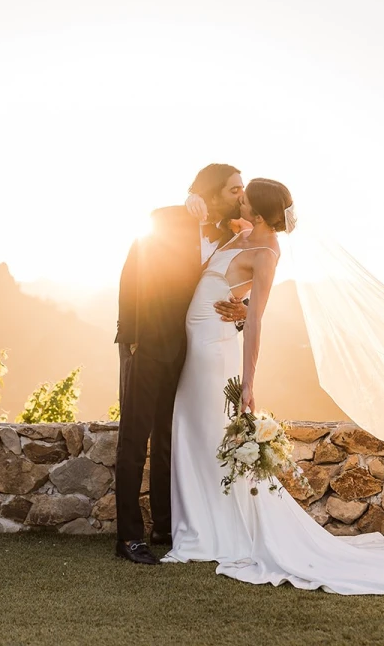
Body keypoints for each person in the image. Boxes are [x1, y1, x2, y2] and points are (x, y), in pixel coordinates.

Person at [161, 177, 384, 594]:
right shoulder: (241, 232)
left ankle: (211, 533)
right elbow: (232, 288)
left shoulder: (266, 251)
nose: (237, 199)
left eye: (244, 197)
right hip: (200, 339)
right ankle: (205, 524)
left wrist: (249, 381)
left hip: (213, 351)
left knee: (204, 431)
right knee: (196, 430)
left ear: (258, 214)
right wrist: (236, 301)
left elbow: (258, 316)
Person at [112, 163, 248, 565]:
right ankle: (128, 538)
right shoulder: (167, 219)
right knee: (135, 438)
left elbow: (242, 286)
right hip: (147, 343)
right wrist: (133, 337)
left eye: (242, 189)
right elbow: (131, 274)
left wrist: (242, 310)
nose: (241, 195)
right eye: (233, 189)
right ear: (209, 192)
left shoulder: (232, 236)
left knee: (169, 440)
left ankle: (165, 526)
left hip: (189, 350)